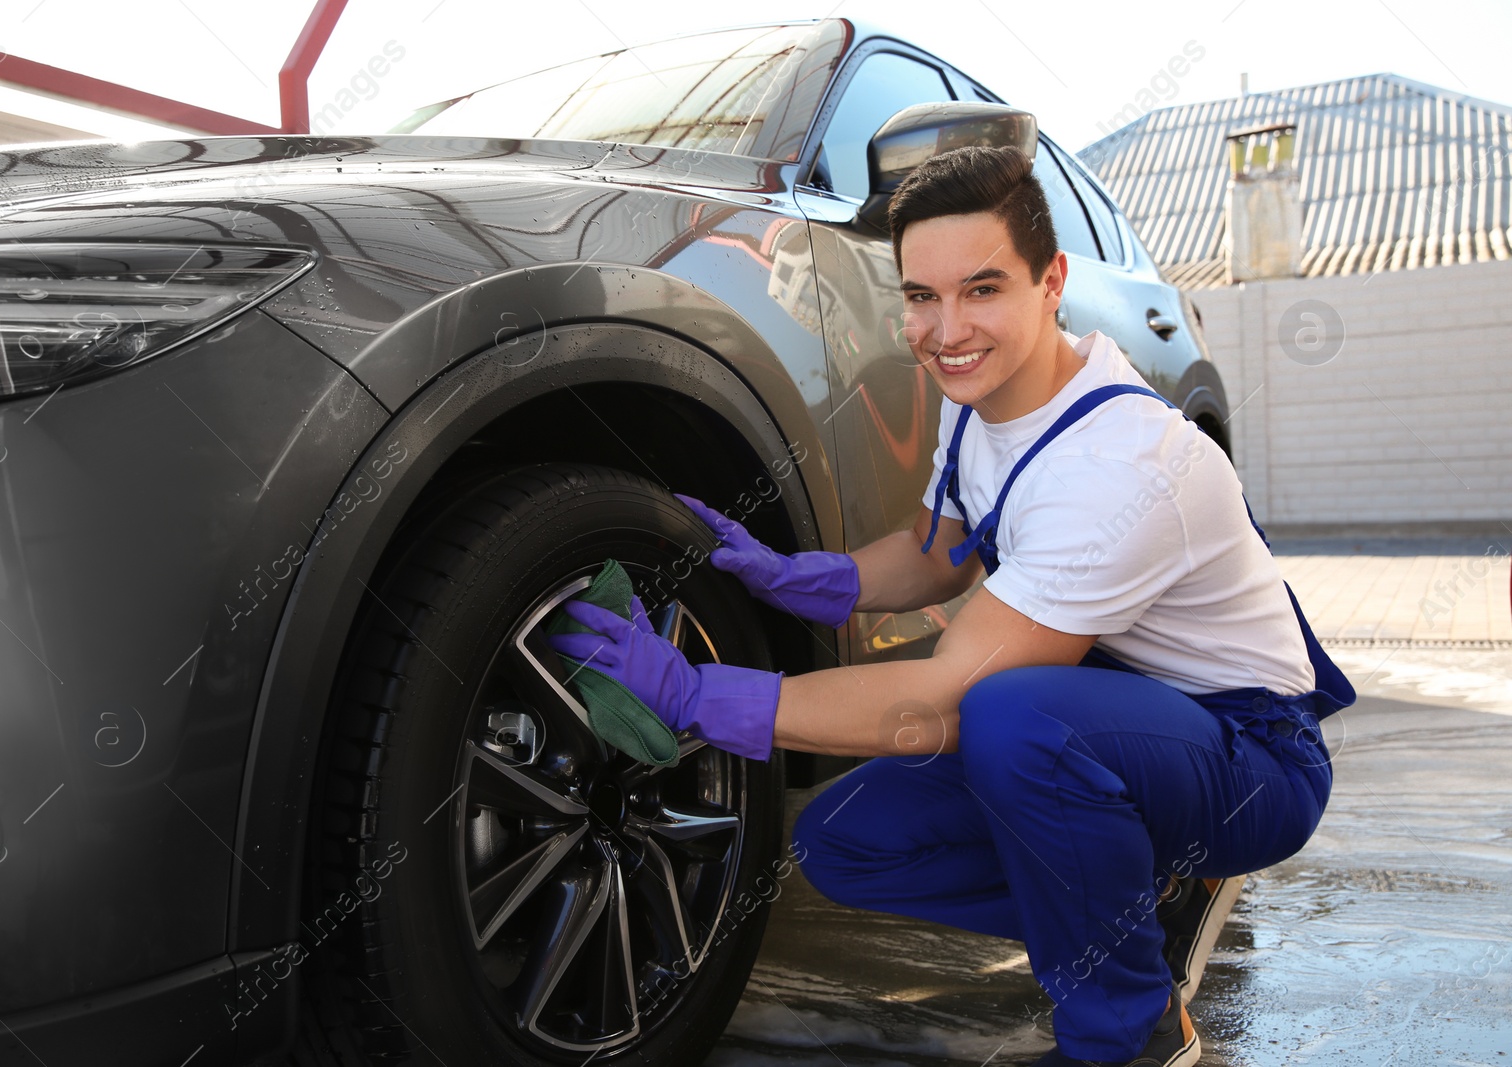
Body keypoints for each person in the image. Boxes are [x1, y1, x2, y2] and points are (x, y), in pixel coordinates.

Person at [547, 144, 1355, 1067]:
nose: (945, 328)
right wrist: (800, 574)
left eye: (982, 289)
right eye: (921, 296)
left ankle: (1129, 1033)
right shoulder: (979, 399)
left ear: (1051, 282)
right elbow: (940, 552)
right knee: (846, 843)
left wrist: (700, 697)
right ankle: (1144, 896)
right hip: (1115, 711)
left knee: (1010, 715)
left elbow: (938, 700)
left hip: (1251, 754)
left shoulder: (1119, 466)